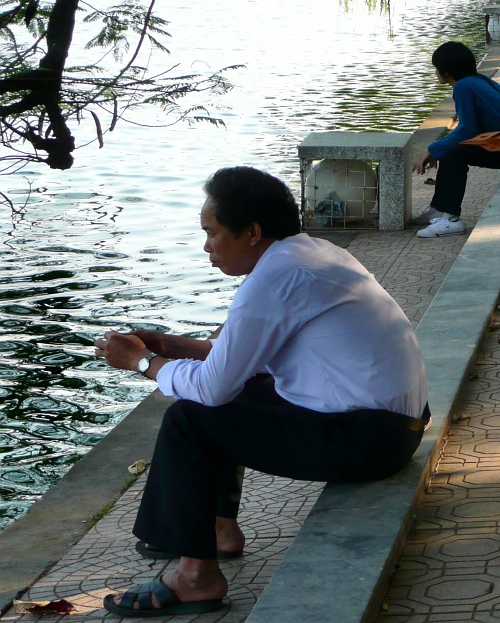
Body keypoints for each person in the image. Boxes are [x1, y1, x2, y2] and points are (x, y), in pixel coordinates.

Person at [96, 166, 429, 617]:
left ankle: (196, 577)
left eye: (212, 234)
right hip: (390, 428)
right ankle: (218, 530)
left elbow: (212, 388)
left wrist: (141, 362)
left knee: (191, 417)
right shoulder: (310, 253)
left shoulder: (274, 279)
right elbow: (247, 357)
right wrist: (173, 346)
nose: (206, 247)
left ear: (251, 232)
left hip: (367, 442)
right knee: (235, 388)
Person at [414, 41, 500, 238]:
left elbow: (467, 130)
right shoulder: (477, 80)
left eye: (437, 68)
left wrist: (433, 148)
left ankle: (451, 220)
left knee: (454, 154)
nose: (436, 73)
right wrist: (439, 148)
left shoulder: (463, 87)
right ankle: (439, 209)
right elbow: (468, 129)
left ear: (446, 71)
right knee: (451, 150)